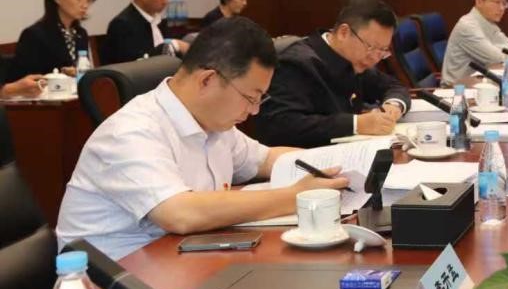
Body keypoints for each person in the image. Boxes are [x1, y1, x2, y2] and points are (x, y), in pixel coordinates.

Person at [55, 18, 348, 260]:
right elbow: (179, 213)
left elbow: (265, 159)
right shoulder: (131, 132)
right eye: (251, 97)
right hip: (114, 286)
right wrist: (297, 196)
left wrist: (342, 163)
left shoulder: (213, 123)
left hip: (181, 260)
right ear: (207, 80)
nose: (255, 111)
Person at [253, 0, 411, 148]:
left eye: (382, 51)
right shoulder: (296, 63)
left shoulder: (356, 60)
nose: (375, 58)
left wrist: (393, 106)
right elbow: (282, 126)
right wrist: (357, 124)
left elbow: (392, 86)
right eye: (371, 47)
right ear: (344, 33)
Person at [5, 0, 97, 81]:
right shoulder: (34, 34)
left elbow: (82, 69)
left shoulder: (81, 33)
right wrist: (62, 75)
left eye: (88, 0)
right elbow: (22, 79)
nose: (85, 5)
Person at [101, 0, 189, 64]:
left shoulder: (160, 21)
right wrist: (174, 45)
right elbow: (133, 64)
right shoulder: (122, 24)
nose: (165, 1)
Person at [441, 0, 508, 85]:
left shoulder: (487, 22)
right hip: (456, 89)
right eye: (497, 2)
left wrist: (496, 51)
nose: (502, 8)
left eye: (504, 3)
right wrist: (498, 51)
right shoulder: (467, 26)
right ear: (479, 2)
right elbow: (497, 59)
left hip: (477, 83)